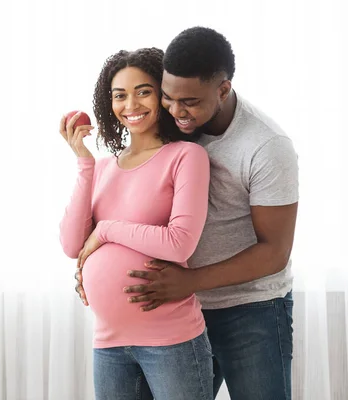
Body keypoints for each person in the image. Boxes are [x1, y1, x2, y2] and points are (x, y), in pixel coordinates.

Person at [75, 27, 299, 400]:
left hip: (249, 307)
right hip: (174, 310)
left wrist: (189, 281)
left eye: (190, 102)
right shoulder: (176, 126)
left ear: (223, 89)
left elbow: (275, 251)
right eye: (167, 97)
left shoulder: (265, 146)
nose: (177, 111)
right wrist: (97, 267)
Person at [59, 48, 213, 400]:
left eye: (143, 91)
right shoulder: (102, 168)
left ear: (163, 95)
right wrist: (84, 162)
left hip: (171, 341)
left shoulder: (186, 157)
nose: (131, 103)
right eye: (119, 95)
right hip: (109, 343)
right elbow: (71, 245)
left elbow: (180, 243)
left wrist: (107, 229)